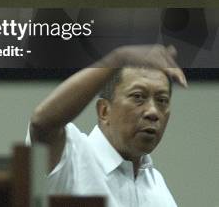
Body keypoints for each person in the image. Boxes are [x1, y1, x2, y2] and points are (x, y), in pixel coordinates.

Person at [28, 44, 187, 207]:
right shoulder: (72, 159)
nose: (153, 112)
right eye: (138, 96)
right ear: (104, 111)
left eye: (162, 100)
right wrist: (118, 58)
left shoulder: (157, 185)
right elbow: (42, 123)